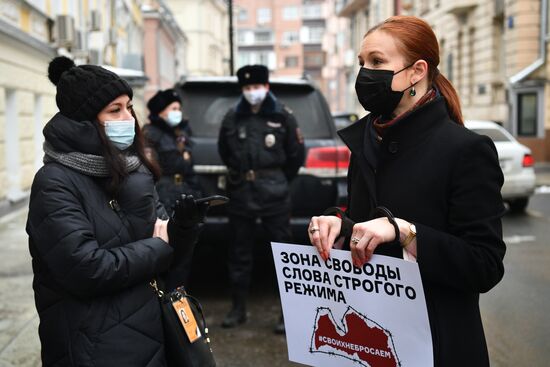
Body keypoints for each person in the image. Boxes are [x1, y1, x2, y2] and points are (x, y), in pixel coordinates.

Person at [308, 16, 506, 366]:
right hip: (371, 340)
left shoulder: (465, 150)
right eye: (362, 63)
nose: (365, 73)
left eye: (378, 62)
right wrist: (340, 225)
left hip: (436, 343)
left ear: (417, 71)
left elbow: (484, 265)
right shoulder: (366, 141)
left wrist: (406, 233)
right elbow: (364, 225)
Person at [26, 56, 208, 366]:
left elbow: (168, 257)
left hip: (152, 332)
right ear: (84, 120)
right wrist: (159, 245)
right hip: (94, 345)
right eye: (115, 109)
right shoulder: (54, 181)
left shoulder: (134, 169)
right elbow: (86, 269)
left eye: (129, 107)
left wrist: (184, 230)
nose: (128, 117)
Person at [217, 64, 305, 333]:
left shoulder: (283, 116)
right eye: (246, 88)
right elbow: (225, 152)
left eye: (256, 87)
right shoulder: (232, 117)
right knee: (239, 254)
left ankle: (286, 313)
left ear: (266, 87)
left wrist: (275, 180)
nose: (251, 92)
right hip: (241, 192)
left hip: (274, 194)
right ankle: (238, 309)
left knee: (282, 255)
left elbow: (296, 156)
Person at [143, 88, 201, 212]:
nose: (178, 113)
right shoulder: (150, 134)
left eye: (179, 109)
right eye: (173, 109)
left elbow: (190, 170)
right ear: (160, 112)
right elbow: (148, 172)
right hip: (163, 196)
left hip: (184, 192)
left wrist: (196, 193)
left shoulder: (181, 133)